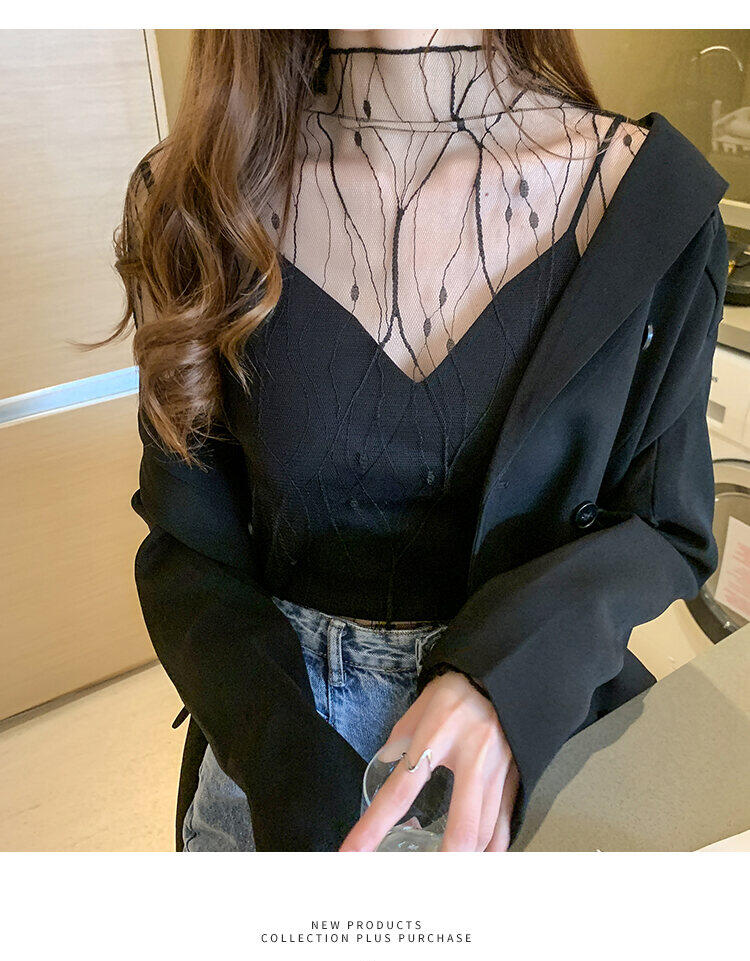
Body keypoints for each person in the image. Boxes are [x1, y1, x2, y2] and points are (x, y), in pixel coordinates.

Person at [109, 29, 729, 851]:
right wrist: (282, 757)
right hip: (270, 743)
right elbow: (186, 541)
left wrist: (505, 676)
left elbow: (664, 524)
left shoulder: (649, 199)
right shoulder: (194, 198)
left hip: (535, 734)